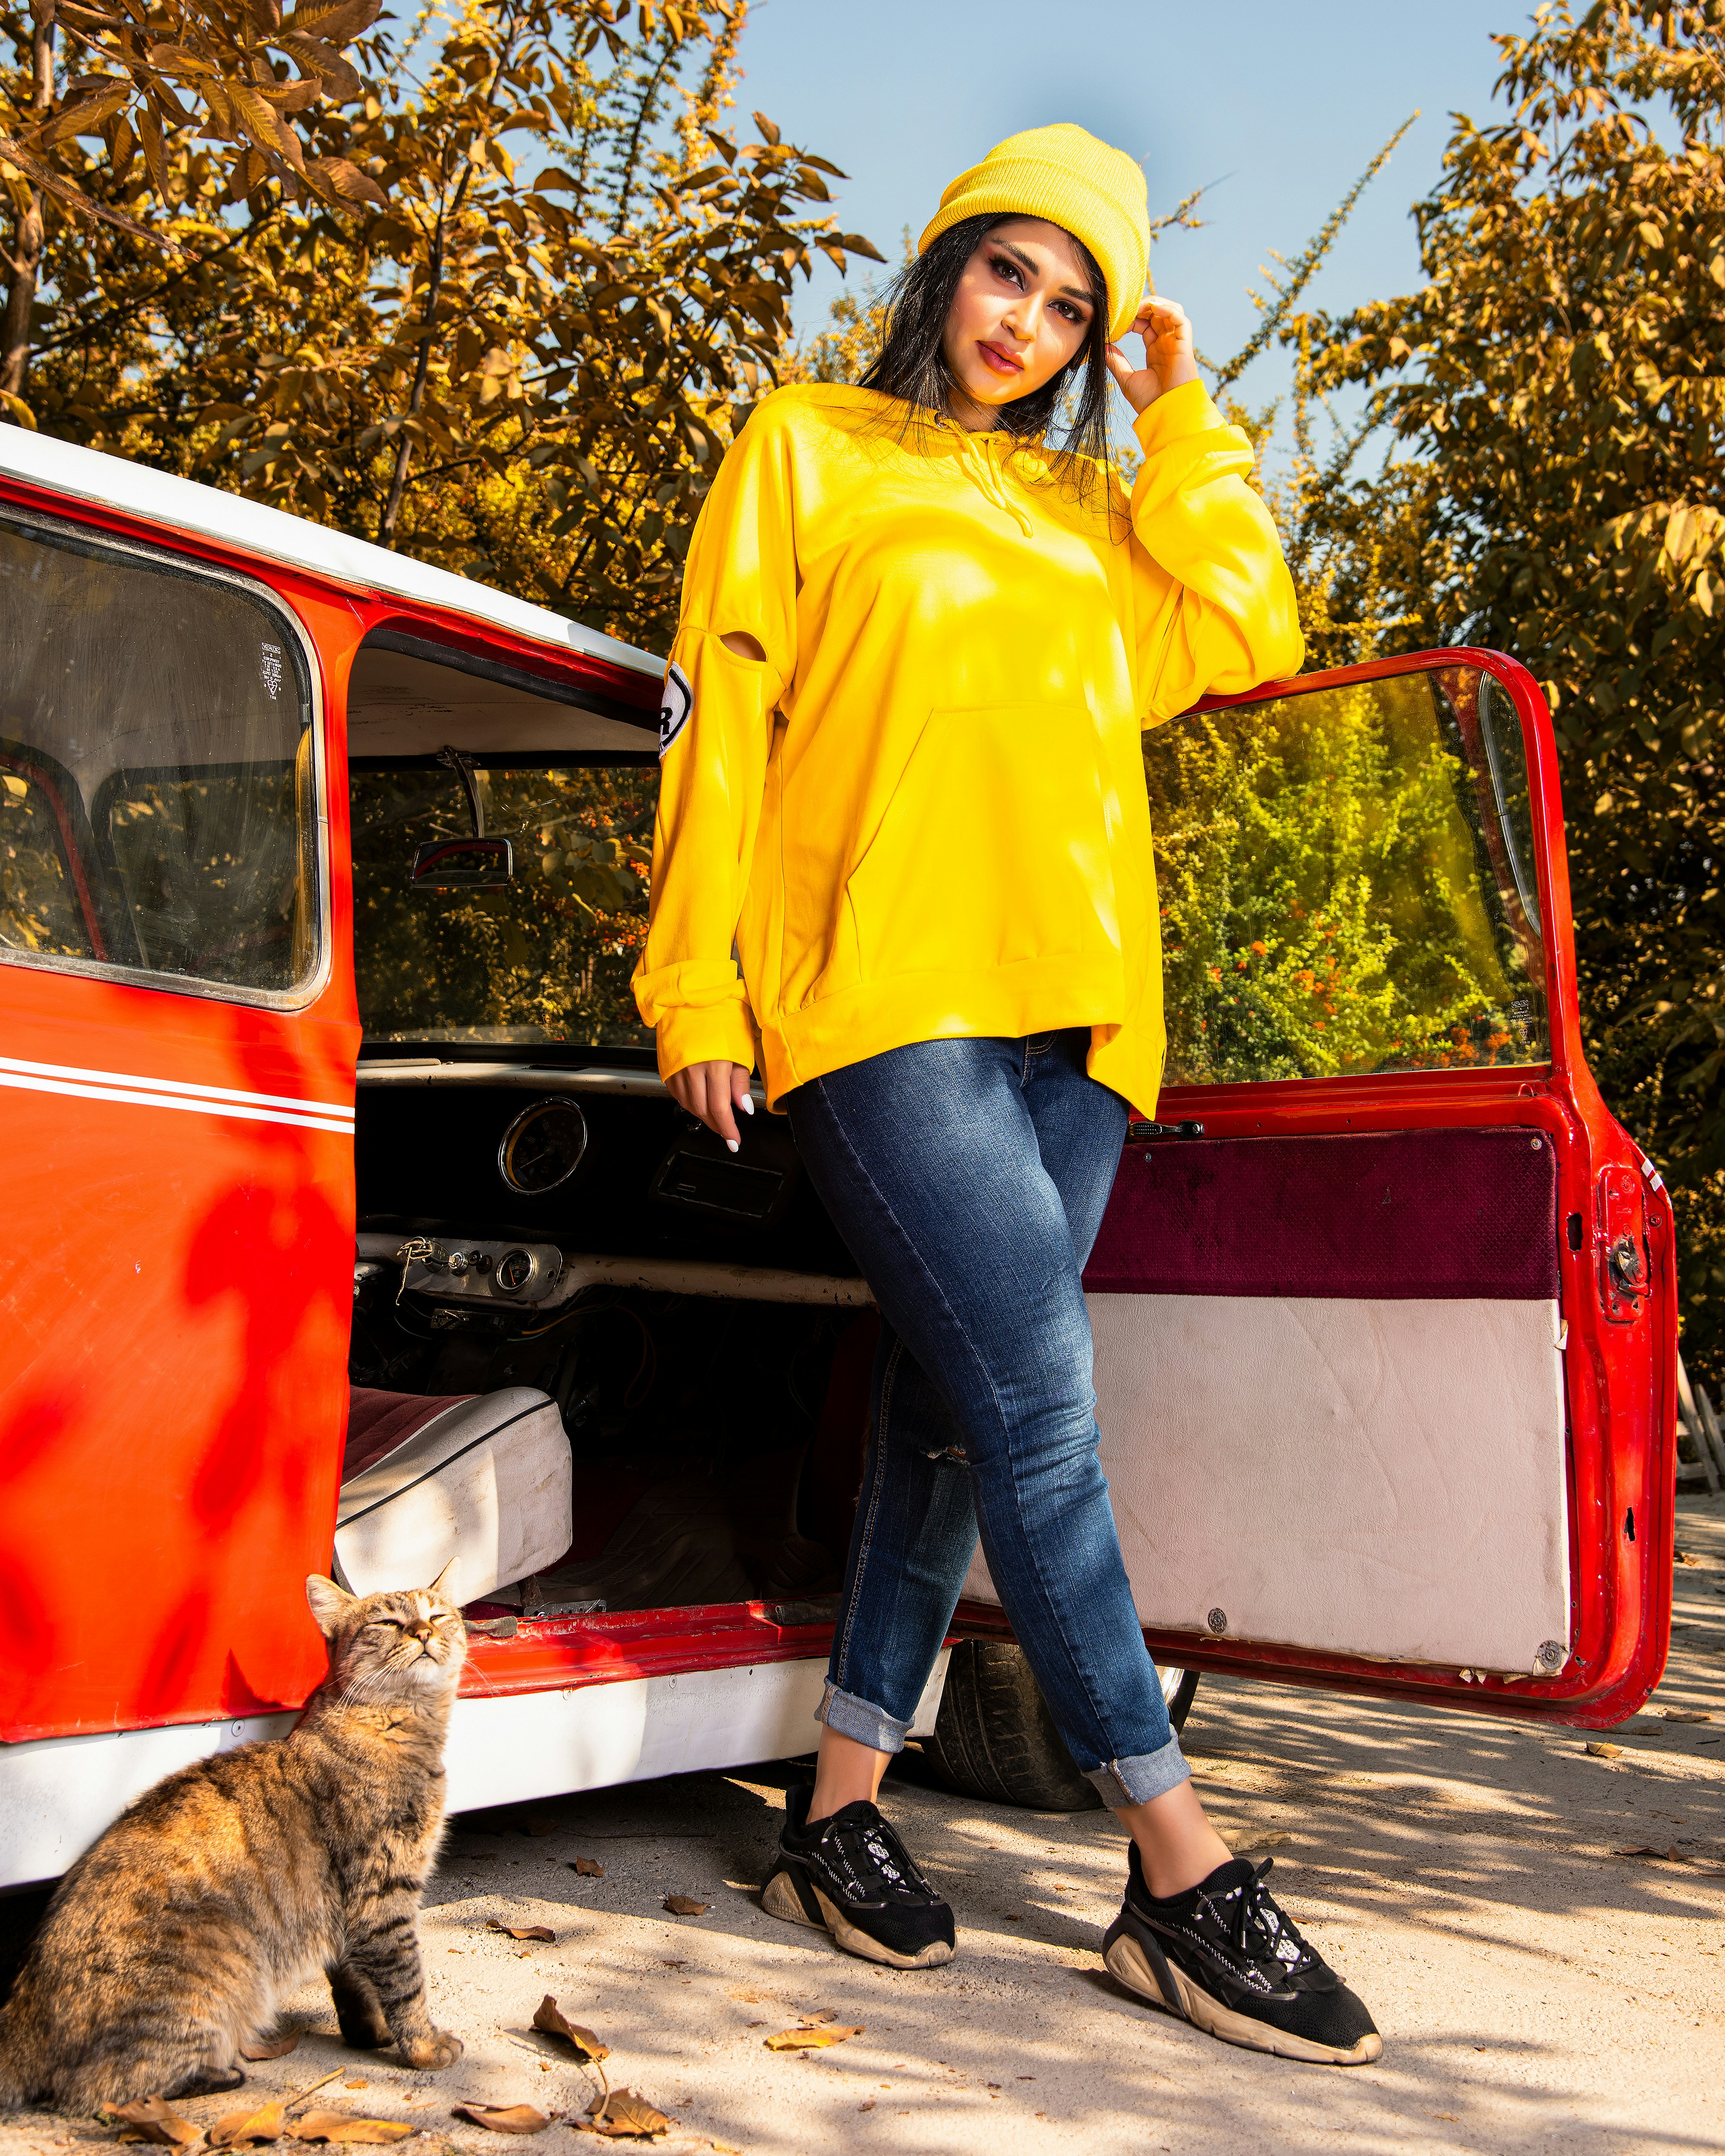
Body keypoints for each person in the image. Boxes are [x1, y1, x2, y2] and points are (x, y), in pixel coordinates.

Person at [632, 123, 1380, 2068]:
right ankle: (1180, 1866)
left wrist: (1180, 412)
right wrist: (691, 970)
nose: (1024, 322)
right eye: (1006, 274)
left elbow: (1247, 623)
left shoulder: (1088, 510)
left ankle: (834, 1816)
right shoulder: (804, 446)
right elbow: (717, 715)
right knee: (1039, 1404)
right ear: (944, 261)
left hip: (1081, 1018)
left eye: (1071, 303)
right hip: (879, 997)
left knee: (954, 1421)